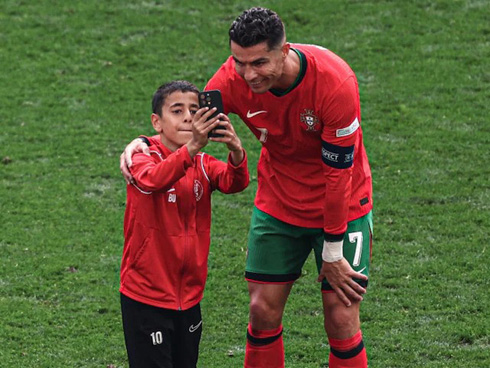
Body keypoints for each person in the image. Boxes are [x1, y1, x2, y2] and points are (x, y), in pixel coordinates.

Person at [120, 7, 373, 368]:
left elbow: (338, 176)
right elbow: (188, 123)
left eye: (259, 63)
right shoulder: (229, 81)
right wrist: (143, 143)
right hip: (279, 204)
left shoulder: (334, 83)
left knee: (341, 316)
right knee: (261, 310)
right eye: (239, 62)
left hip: (343, 205)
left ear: (284, 51)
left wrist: (333, 249)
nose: (248, 74)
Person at [120, 80, 249, 368]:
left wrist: (236, 149)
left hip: (189, 296)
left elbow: (235, 181)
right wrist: (191, 147)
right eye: (177, 111)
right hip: (146, 296)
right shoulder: (141, 156)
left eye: (194, 109)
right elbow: (153, 179)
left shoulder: (202, 163)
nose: (188, 117)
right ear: (157, 122)